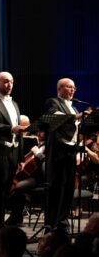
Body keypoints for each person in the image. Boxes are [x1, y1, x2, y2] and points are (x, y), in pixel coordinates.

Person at [0, 71, 26, 227]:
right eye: (6, 82)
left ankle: (1, 227)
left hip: (13, 152)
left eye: (12, 82)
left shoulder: (14, 104)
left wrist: (21, 157)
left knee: (7, 190)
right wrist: (11, 129)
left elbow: (19, 131)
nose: (10, 85)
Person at [44, 78, 82, 233]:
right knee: (56, 187)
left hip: (71, 151)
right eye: (69, 87)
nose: (72, 90)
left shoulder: (74, 108)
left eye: (74, 88)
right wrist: (77, 117)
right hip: (58, 152)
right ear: (59, 88)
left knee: (68, 188)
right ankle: (51, 223)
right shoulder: (53, 102)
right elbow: (55, 116)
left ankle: (62, 221)